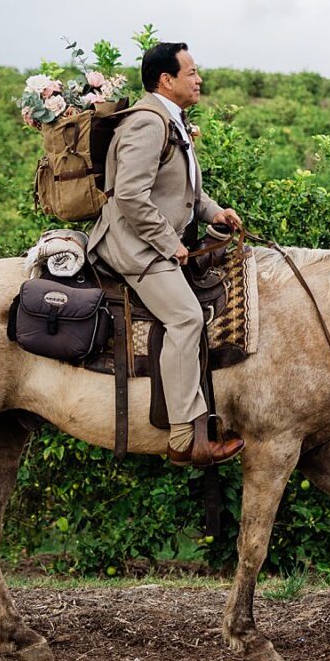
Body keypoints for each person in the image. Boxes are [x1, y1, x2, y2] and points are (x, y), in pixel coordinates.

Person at [86, 41, 246, 467]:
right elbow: (131, 196)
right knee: (186, 317)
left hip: (152, 238)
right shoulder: (147, 123)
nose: (199, 79)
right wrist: (168, 243)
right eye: (191, 72)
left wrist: (216, 212)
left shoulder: (172, 119)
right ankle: (182, 438)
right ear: (166, 80)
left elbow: (184, 189)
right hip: (133, 244)